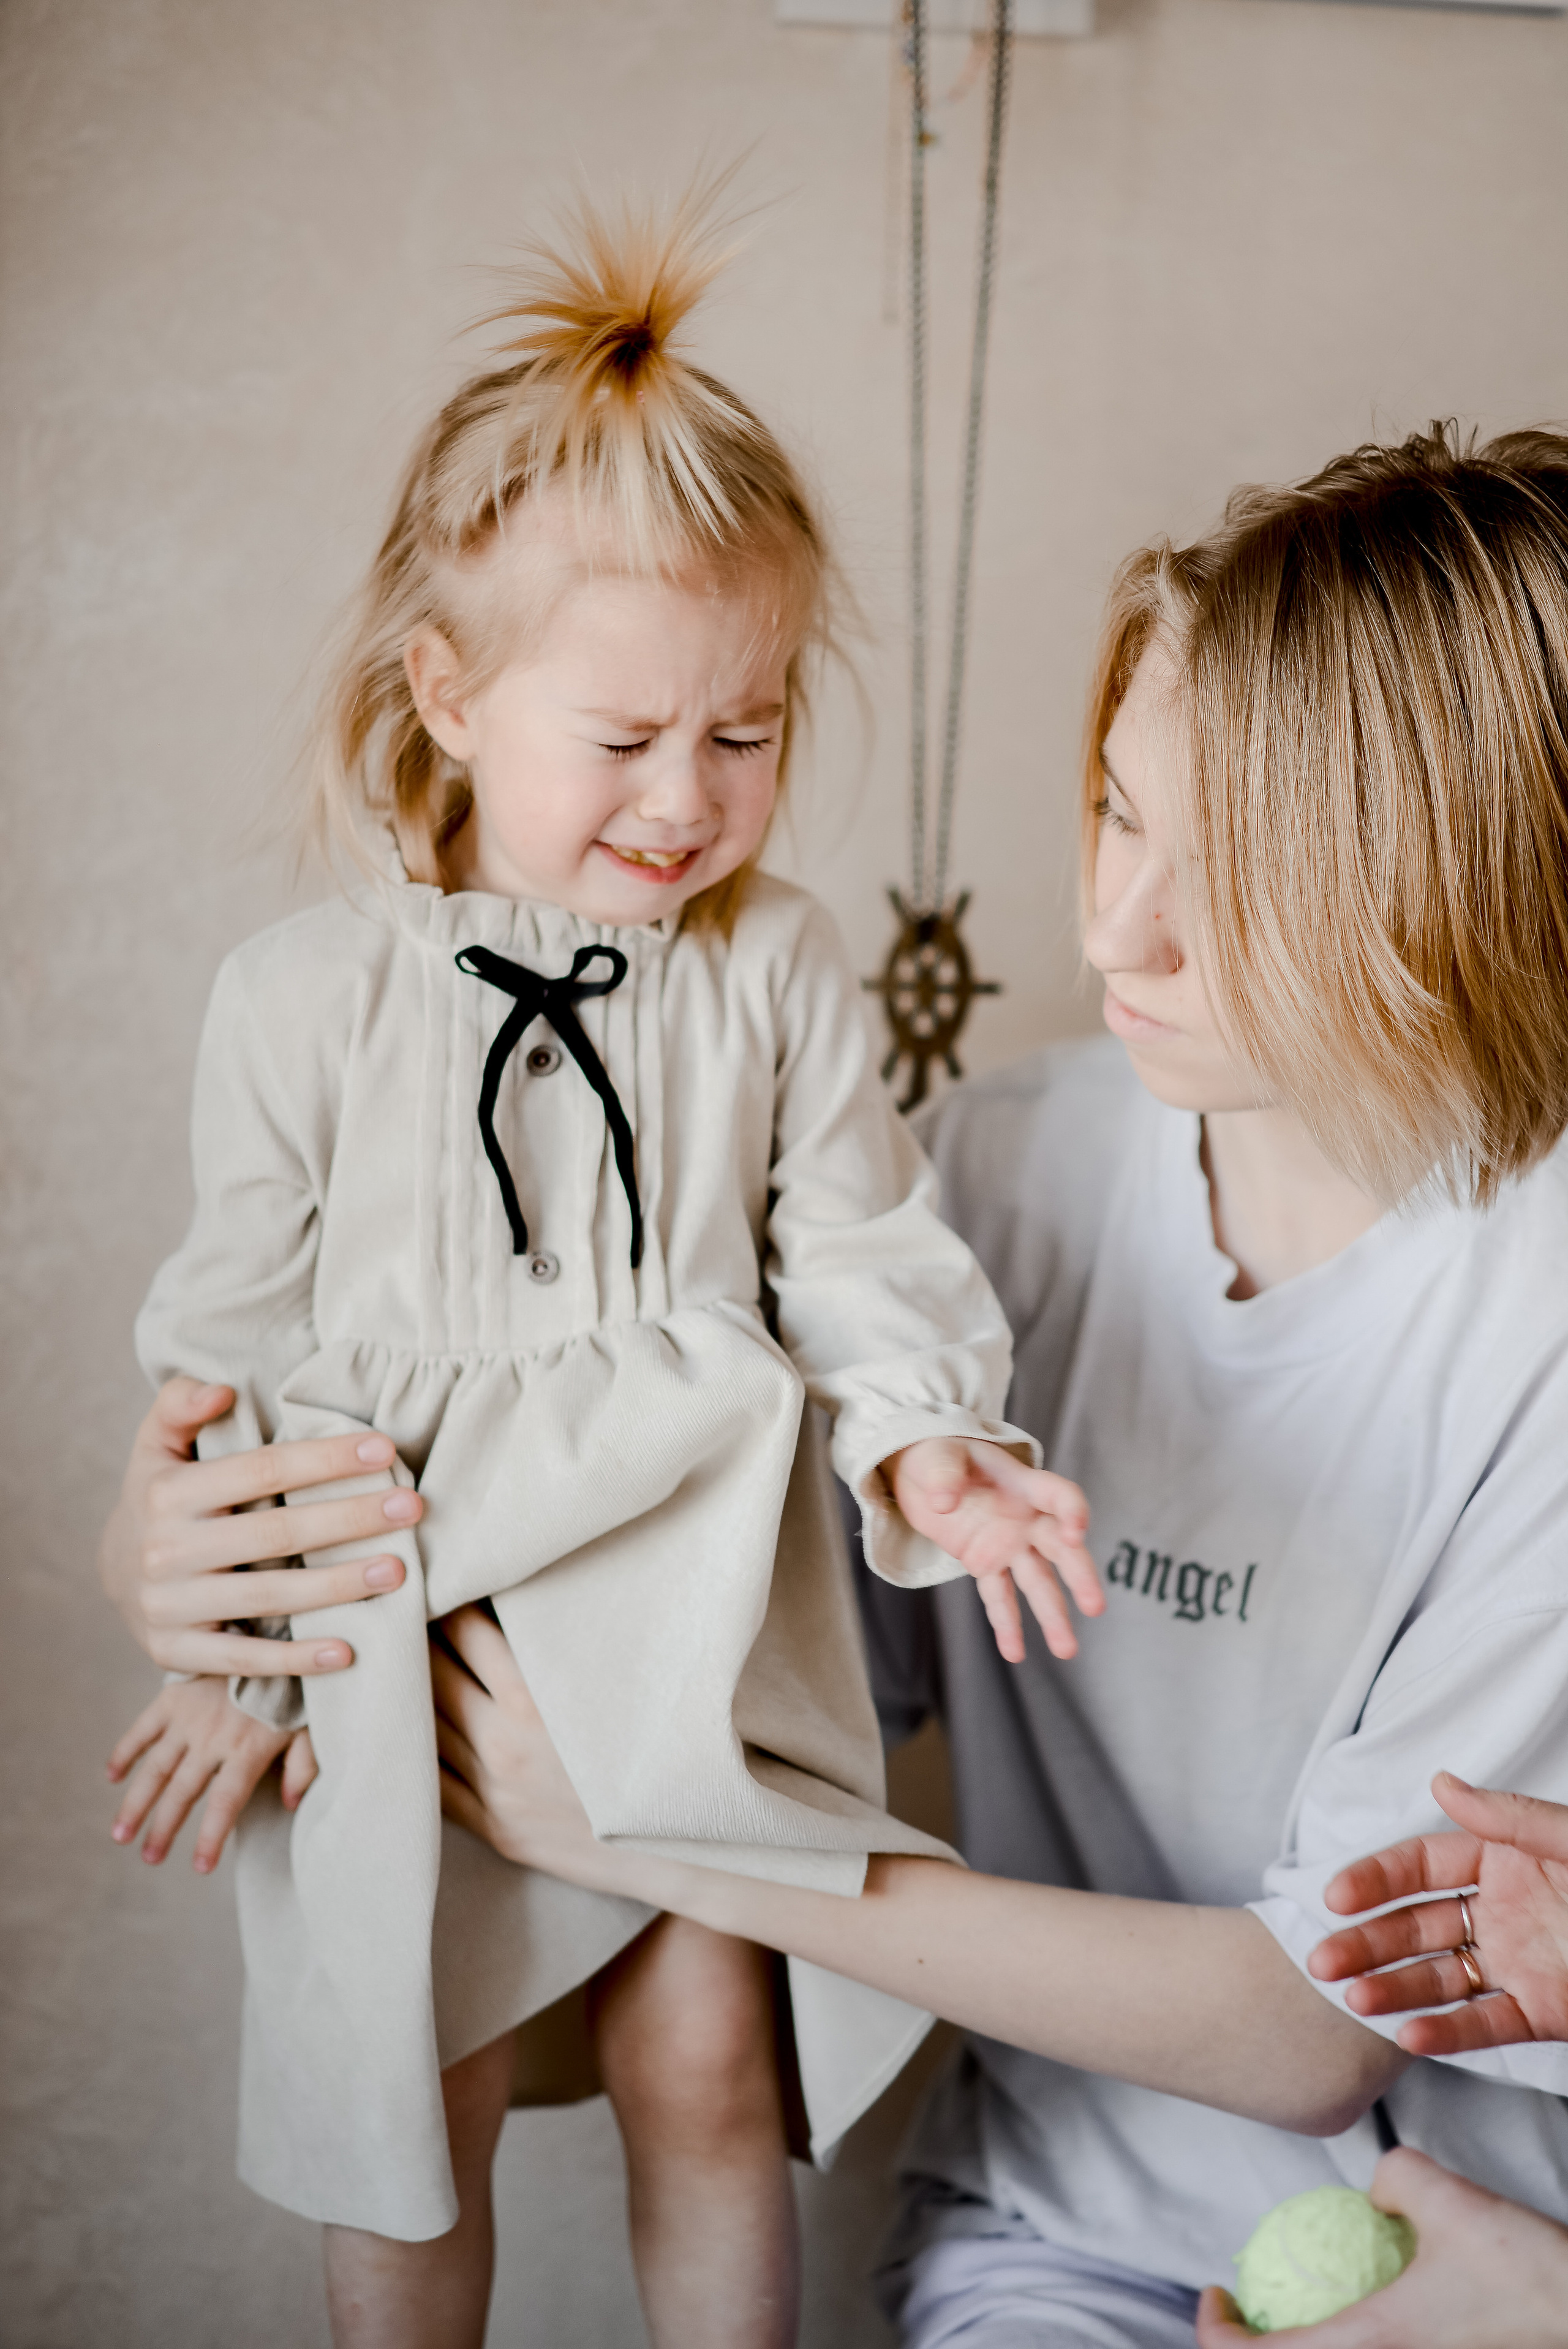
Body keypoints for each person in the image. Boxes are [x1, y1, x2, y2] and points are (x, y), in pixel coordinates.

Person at [103, 424, 1568, 2343]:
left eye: (1243, 880)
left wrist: (644, 1825)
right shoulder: (996, 1178)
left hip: (1461, 2246)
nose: (1115, 928)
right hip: (1045, 2240)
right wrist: (190, 1570)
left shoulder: (1531, 1318)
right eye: (1119, 811)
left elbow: (1316, 2023)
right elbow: (748, 1620)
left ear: (1453, 892)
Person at [104, 193, 1102, 2349]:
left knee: (707, 2064)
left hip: (689, 1620)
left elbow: (861, 1241)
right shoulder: (300, 997)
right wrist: (231, 1654)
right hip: (398, 1625)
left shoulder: (777, 968)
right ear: (449, 694)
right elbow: (227, 1363)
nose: (689, 798)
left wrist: (932, 1446)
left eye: (746, 731)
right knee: (414, 2103)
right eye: (627, 737)